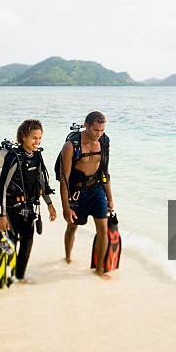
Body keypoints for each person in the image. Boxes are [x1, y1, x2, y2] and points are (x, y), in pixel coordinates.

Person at [0, 119, 57, 284]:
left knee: (27, 243)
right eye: (34, 138)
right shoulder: (14, 157)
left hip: (29, 208)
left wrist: (49, 204)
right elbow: (1, 186)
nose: (37, 142)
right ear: (23, 136)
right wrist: (1, 215)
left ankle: (19, 277)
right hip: (11, 208)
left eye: (39, 138)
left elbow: (42, 182)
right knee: (9, 243)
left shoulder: (37, 156)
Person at [59, 111, 114, 278]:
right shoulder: (71, 146)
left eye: (102, 130)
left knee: (103, 230)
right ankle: (68, 257)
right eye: (96, 130)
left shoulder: (104, 142)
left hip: (96, 190)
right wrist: (66, 207)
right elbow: (64, 179)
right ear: (86, 125)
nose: (99, 134)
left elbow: (105, 171)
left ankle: (99, 269)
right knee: (72, 227)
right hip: (77, 192)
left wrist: (110, 198)